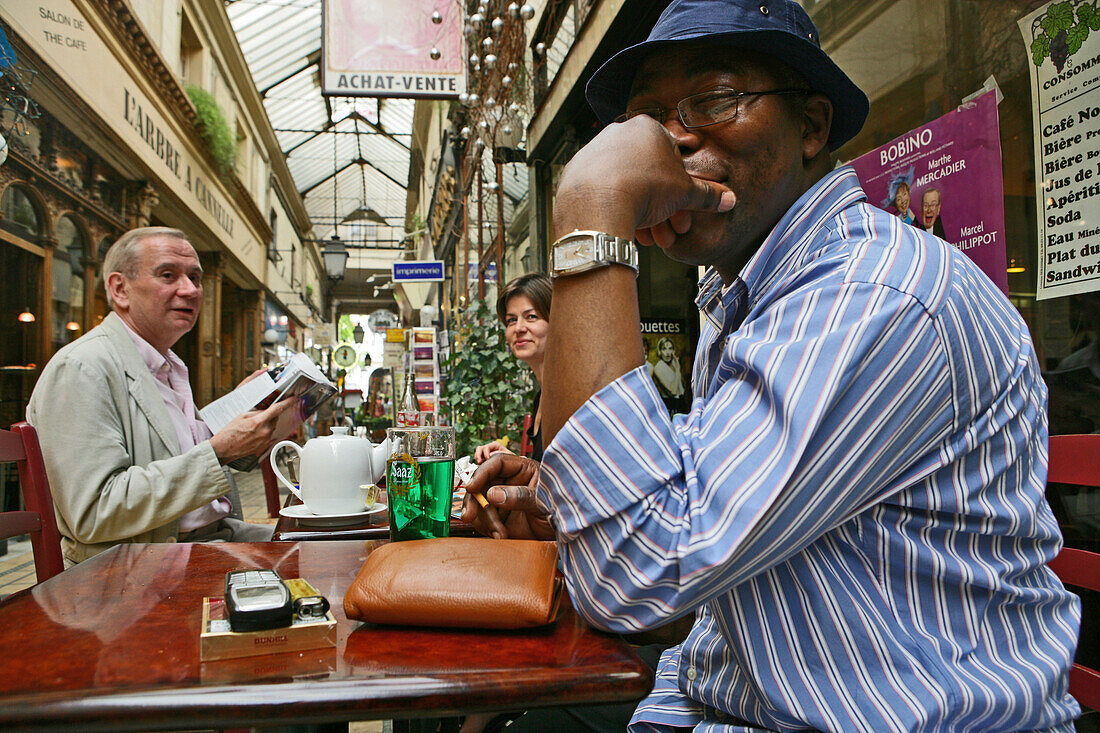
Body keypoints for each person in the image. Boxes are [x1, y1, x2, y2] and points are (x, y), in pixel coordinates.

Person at [464, 1, 1080, 731]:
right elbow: (692, 522)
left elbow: (634, 572)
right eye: (649, 121)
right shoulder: (750, 297)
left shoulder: (867, 292)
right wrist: (567, 497)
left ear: (811, 126)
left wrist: (591, 210)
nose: (674, 141)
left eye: (715, 100)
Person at [27, 227, 294, 566]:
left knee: (341, 542)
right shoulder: (82, 367)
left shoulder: (168, 365)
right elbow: (95, 512)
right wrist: (218, 451)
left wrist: (239, 413)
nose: (190, 290)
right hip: (134, 570)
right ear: (120, 289)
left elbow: (178, 454)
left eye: (195, 278)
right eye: (168, 275)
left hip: (208, 542)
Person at [473, 273, 551, 463]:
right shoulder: (541, 396)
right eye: (511, 320)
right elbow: (545, 470)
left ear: (556, 321)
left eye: (531, 317)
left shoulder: (566, 394)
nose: (519, 328)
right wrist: (514, 462)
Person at [648, 336, 685, 400]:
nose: (667, 352)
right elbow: (673, 391)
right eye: (664, 349)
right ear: (660, 351)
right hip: (670, 403)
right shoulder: (658, 368)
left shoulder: (674, 363)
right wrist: (677, 369)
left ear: (673, 351)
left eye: (670, 348)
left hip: (681, 401)